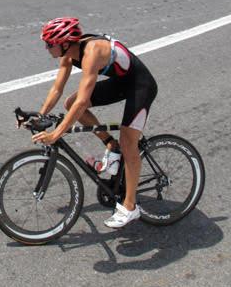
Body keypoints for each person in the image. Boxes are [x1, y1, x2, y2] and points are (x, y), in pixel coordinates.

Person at [31, 17, 158, 229]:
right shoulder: (69, 55)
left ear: (64, 42)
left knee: (129, 143)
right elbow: (57, 89)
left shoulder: (91, 52)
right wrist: (40, 115)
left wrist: (56, 135)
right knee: (69, 102)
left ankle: (130, 207)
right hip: (121, 83)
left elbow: (82, 102)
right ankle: (110, 144)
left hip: (140, 85)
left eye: (49, 44)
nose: (46, 48)